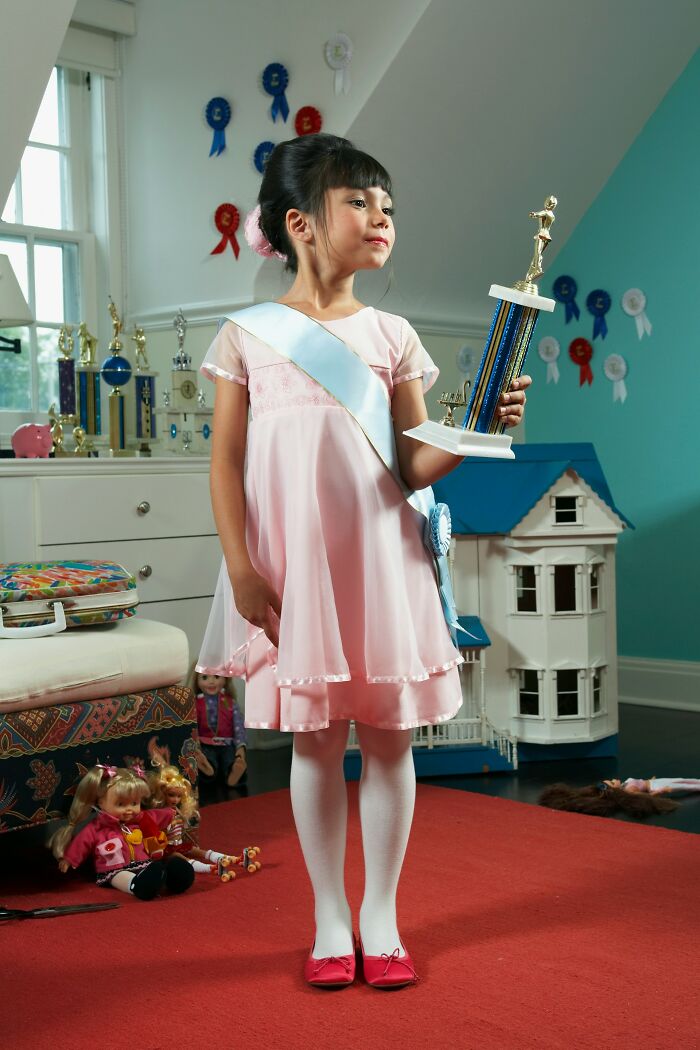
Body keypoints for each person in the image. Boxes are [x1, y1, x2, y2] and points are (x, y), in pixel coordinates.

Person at [196, 133, 531, 988]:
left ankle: (380, 913)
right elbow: (225, 463)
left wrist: (478, 430)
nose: (382, 217)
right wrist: (241, 567)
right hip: (296, 569)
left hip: (383, 561)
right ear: (300, 223)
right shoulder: (247, 336)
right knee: (315, 742)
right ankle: (328, 918)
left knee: (387, 739)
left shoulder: (392, 334)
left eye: (389, 206)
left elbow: (413, 463)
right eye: (360, 201)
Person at [49, 764, 195, 900]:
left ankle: (173, 879)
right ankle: (136, 886)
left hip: (143, 863)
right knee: (120, 876)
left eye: (134, 803)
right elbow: (82, 842)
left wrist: (170, 813)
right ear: (101, 802)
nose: (129, 809)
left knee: (155, 869)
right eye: (120, 804)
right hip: (113, 868)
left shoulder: (140, 819)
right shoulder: (98, 827)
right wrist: (69, 859)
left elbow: (156, 815)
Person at [538, 776, 700, 818]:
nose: (615, 780)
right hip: (656, 786)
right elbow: (644, 795)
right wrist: (661, 791)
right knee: (686, 784)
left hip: (653, 782)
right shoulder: (628, 790)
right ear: (612, 790)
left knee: (686, 781)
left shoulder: (623, 787)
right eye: (612, 782)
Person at [191, 668, 247, 787]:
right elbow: (193, 726)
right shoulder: (195, 704)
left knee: (230, 759)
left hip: (227, 744)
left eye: (216, 677)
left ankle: (234, 771)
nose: (211, 682)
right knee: (208, 757)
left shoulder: (230, 702)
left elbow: (238, 725)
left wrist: (240, 746)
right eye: (205, 677)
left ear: (225, 679)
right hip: (205, 744)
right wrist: (195, 744)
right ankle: (207, 768)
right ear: (197, 681)